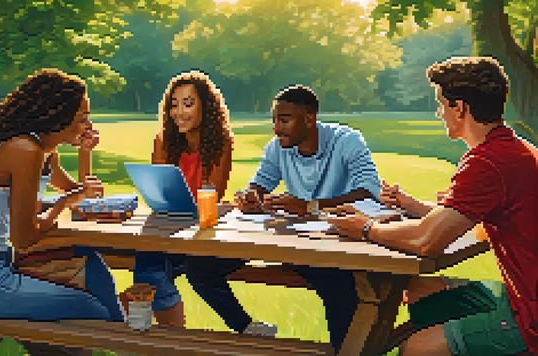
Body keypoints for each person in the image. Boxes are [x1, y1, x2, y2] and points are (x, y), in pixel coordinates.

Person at [325, 57, 538, 356]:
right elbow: (470, 223)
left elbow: (426, 241)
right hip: (521, 295)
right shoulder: (516, 149)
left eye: (441, 104)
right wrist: (411, 205)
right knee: (420, 290)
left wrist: (366, 228)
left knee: (416, 348)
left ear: (459, 108)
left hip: (529, 317)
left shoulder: (486, 163)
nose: (439, 113)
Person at [184, 85, 382, 350]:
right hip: (286, 240)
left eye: (285, 120)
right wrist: (250, 197)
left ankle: (344, 350)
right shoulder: (277, 148)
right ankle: (249, 329)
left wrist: (311, 206)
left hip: (331, 244)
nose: (277, 128)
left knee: (341, 286)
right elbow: (260, 183)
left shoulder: (346, 141)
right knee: (200, 267)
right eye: (275, 120)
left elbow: (369, 194)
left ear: (309, 118)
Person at [0, 69, 125, 330]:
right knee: (91, 308)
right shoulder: (25, 150)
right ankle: (126, 335)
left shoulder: (46, 153)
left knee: (90, 266)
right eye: (83, 118)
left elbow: (80, 193)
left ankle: (126, 337)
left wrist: (85, 154)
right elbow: (23, 238)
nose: (89, 126)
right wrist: (61, 205)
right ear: (58, 114)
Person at [119, 70, 234, 328]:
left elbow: (212, 193)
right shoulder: (162, 141)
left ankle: (141, 318)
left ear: (207, 107)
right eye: (174, 104)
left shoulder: (221, 143)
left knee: (149, 270)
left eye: (188, 103)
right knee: (150, 262)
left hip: (196, 231)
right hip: (165, 225)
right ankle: (172, 336)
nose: (179, 112)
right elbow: (158, 193)